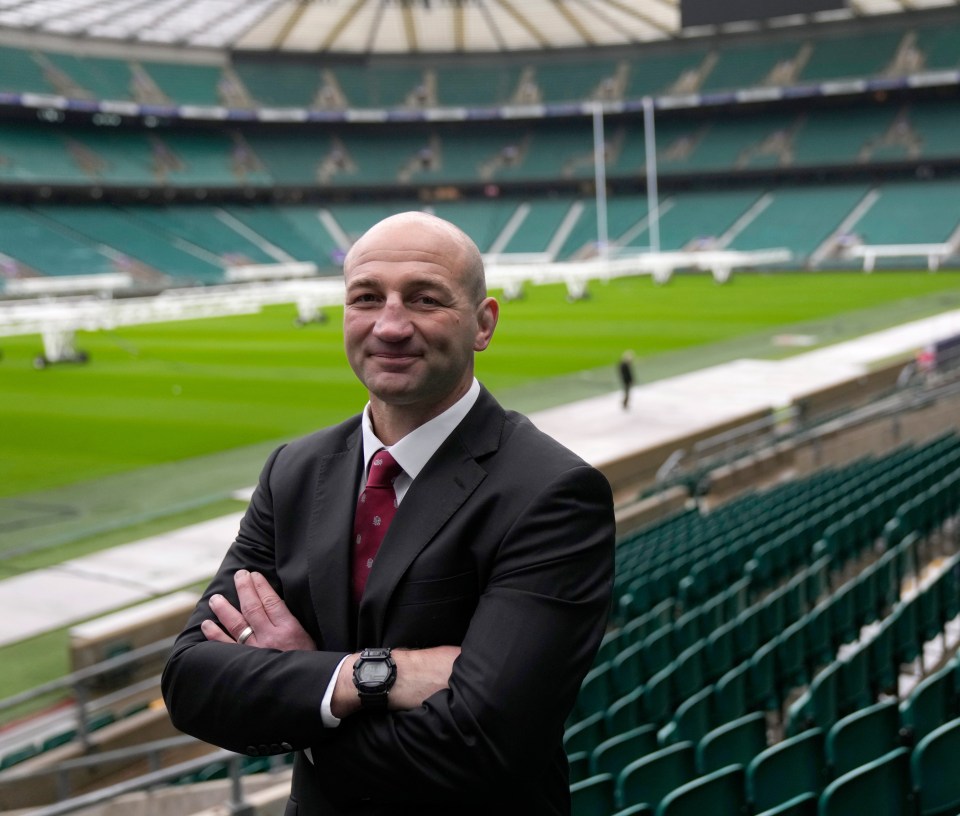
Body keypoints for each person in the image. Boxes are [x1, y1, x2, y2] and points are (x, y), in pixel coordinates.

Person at [161, 211, 616, 815]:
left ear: (484, 324)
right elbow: (191, 682)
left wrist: (300, 697)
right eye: (366, 298)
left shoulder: (553, 492)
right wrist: (364, 677)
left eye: (425, 299)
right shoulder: (293, 471)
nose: (391, 325)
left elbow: (478, 743)